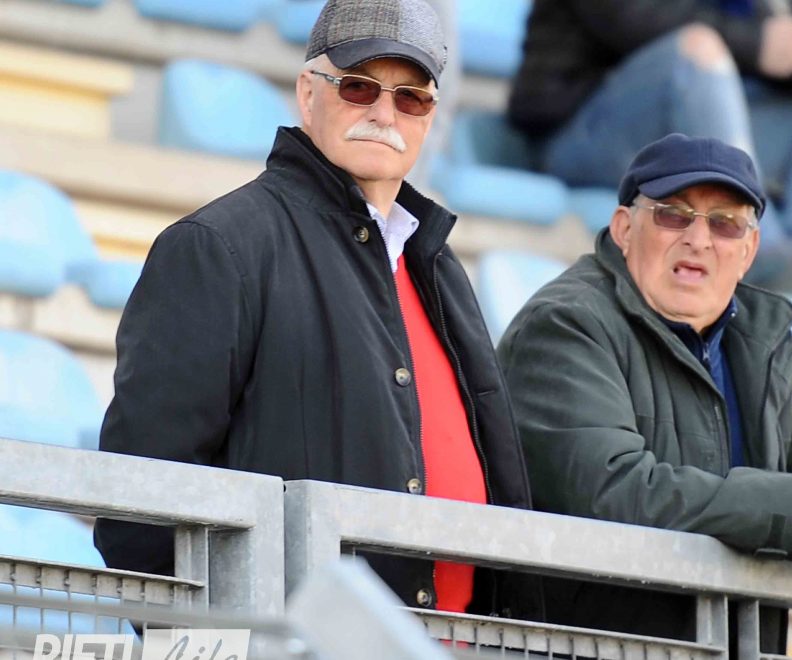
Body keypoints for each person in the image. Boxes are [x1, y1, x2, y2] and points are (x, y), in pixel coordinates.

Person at [94, 0, 541, 619]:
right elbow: (140, 511)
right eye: (359, 87)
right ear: (309, 94)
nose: (384, 113)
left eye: (411, 98)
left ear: (430, 117)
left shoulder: (438, 267)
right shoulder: (220, 247)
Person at [496, 134, 792, 651]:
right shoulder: (566, 323)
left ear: (749, 250)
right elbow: (615, 491)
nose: (699, 239)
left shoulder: (769, 345)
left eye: (725, 223)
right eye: (673, 215)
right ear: (623, 229)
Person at [508, 0, 792, 316]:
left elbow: (753, 42)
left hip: (687, 125)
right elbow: (630, 18)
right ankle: (761, 249)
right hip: (576, 130)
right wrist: (758, 43)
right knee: (697, 46)